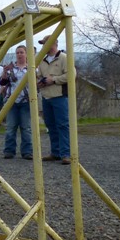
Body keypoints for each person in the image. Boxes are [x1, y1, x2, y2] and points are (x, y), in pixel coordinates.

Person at [37, 36, 72, 164]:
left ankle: (66, 154)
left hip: (60, 96)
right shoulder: (42, 60)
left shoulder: (64, 58)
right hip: (46, 96)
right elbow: (38, 76)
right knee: (51, 125)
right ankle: (55, 152)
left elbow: (71, 75)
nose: (43, 47)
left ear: (53, 44)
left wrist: (54, 80)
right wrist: (39, 83)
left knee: (62, 125)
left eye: (44, 44)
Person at [0, 46, 33, 159]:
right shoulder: (10, 69)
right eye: (17, 52)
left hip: (26, 100)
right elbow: (2, 82)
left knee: (26, 127)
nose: (19, 54)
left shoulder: (32, 68)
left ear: (26, 54)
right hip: (12, 101)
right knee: (11, 127)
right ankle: (9, 151)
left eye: (22, 52)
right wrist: (4, 72)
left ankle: (27, 152)